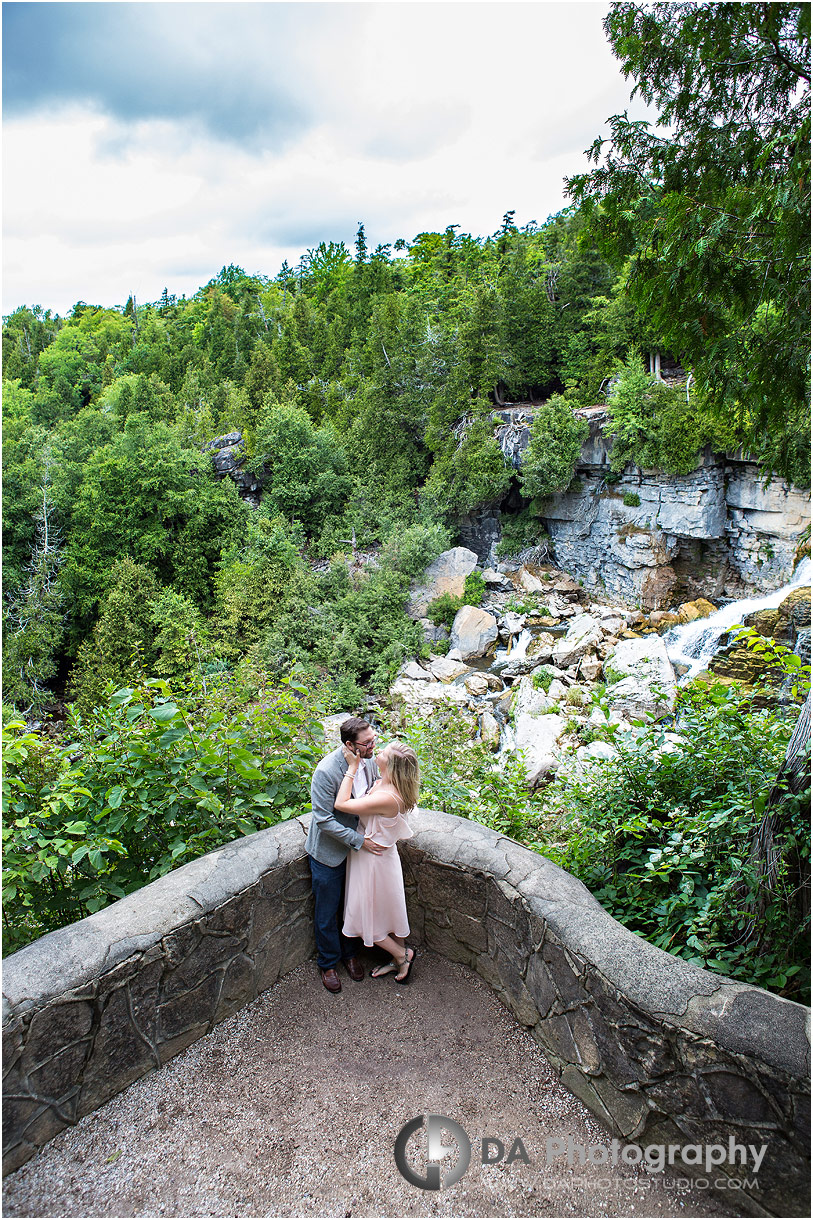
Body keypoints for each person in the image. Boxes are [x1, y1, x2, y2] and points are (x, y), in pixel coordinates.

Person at [306, 717, 385, 994]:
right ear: (350, 745)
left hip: (359, 851)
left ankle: (351, 955)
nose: (374, 745)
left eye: (374, 738)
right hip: (330, 853)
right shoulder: (326, 771)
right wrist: (359, 841)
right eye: (368, 742)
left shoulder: (372, 760)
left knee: (354, 904)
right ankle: (328, 963)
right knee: (327, 912)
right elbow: (323, 820)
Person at [335, 740, 419, 984]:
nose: (378, 751)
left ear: (391, 765)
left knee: (364, 915)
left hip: (373, 861)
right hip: (378, 856)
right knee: (389, 911)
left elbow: (342, 804)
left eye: (383, 753)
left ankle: (402, 956)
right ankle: (397, 959)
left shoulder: (389, 797)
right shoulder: (387, 782)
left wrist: (351, 767)